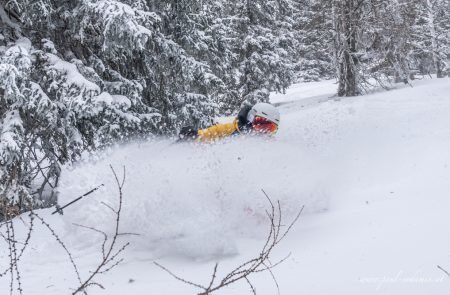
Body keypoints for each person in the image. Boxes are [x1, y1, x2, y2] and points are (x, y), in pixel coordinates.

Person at [179, 102, 280, 142]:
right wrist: (196, 135)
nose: (263, 131)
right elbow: (215, 132)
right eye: (259, 124)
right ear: (250, 118)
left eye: (271, 128)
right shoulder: (232, 129)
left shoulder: (269, 143)